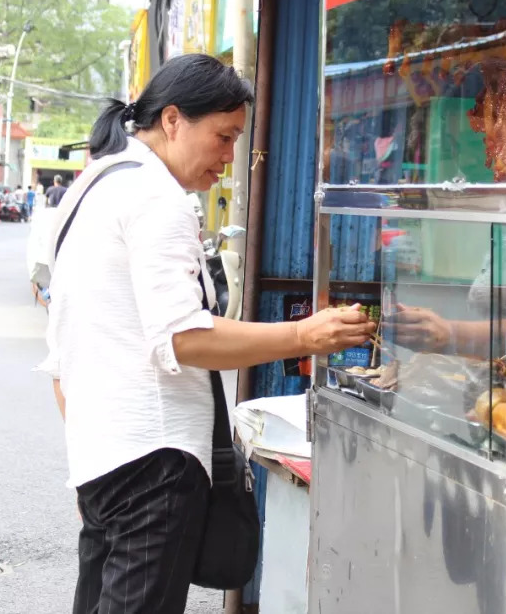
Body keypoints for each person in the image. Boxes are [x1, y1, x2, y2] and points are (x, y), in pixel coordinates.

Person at [42, 53, 375, 614]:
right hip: (154, 461)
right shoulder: (157, 198)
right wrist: (303, 337)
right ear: (173, 120)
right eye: (223, 137)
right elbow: (182, 338)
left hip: (103, 458)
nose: (229, 157)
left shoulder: (89, 186)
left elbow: (61, 353)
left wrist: (91, 459)